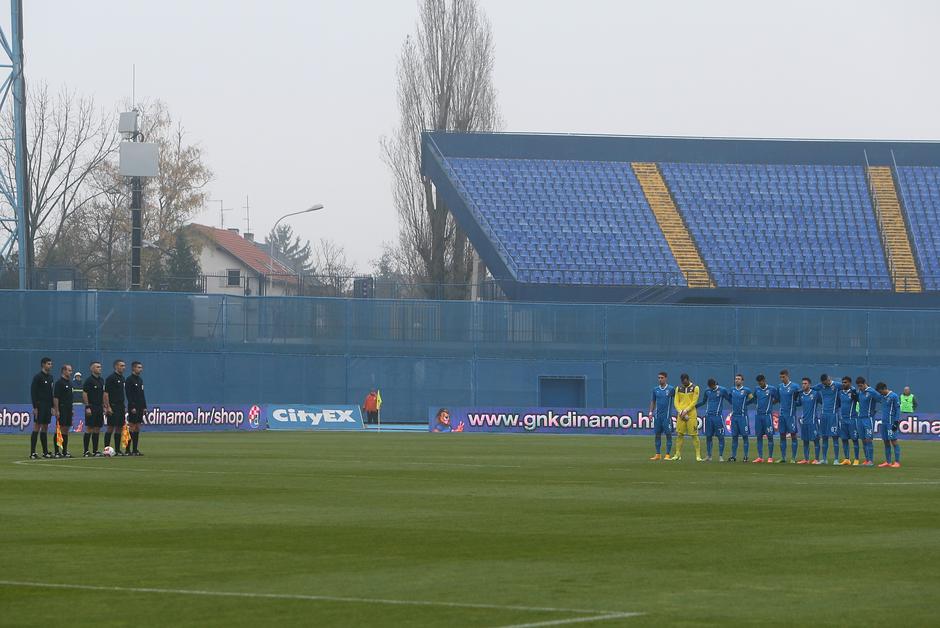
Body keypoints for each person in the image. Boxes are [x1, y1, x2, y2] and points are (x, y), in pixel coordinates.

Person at [695, 378, 728, 462]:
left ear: (715, 384)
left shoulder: (722, 390)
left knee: (720, 436)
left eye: (712, 387)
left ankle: (720, 456)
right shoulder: (707, 391)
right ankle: (709, 456)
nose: (711, 388)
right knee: (708, 436)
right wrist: (694, 406)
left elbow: (729, 399)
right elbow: (703, 402)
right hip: (708, 417)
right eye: (710, 387)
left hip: (717, 417)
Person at [673, 373, 703, 462]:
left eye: (685, 381)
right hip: (681, 414)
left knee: (694, 435)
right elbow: (676, 401)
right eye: (682, 381)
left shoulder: (695, 388)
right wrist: (680, 411)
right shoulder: (678, 388)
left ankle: (698, 455)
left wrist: (686, 410)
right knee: (679, 434)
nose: (683, 383)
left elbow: (694, 401)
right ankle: (677, 454)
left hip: (691, 414)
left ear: (688, 379)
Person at [29, 357, 55, 459]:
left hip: (48, 405)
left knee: (45, 427)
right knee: (37, 426)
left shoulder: (51, 377)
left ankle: (45, 452)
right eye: (48, 364)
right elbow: (33, 392)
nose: (50, 366)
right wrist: (35, 407)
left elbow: (51, 393)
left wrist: (52, 406)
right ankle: (32, 453)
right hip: (40, 405)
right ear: (43, 364)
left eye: (51, 364)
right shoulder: (38, 377)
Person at [813, 374, 841, 465]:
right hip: (823, 415)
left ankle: (836, 459)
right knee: (824, 437)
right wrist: (799, 391)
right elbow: (812, 388)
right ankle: (824, 459)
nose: (825, 384)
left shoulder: (837, 385)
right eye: (823, 383)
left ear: (829, 379)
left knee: (835, 437)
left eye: (826, 382)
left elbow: (848, 387)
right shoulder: (821, 386)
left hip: (833, 415)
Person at [854, 376, 882, 467]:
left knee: (868, 439)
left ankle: (871, 460)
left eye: (861, 386)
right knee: (863, 440)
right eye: (858, 386)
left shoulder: (872, 392)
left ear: (864, 383)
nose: (860, 388)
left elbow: (881, 399)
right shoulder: (859, 392)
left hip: (868, 418)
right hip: (860, 418)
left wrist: (874, 411)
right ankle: (866, 459)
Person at [750, 374, 778, 463]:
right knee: (759, 437)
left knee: (770, 436)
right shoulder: (757, 389)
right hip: (758, 416)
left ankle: (770, 457)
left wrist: (771, 404)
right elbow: (754, 398)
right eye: (758, 383)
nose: (760, 384)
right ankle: (760, 457)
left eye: (761, 382)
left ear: (764, 380)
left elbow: (777, 398)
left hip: (767, 416)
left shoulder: (772, 389)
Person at [795, 378, 823, 464]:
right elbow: (798, 403)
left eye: (805, 383)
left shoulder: (815, 394)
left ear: (809, 384)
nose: (803, 385)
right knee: (805, 441)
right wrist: (793, 398)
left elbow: (822, 402)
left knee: (816, 440)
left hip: (813, 421)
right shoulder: (801, 394)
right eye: (802, 383)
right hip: (804, 421)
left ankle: (816, 459)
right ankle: (806, 459)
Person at [648, 372, 675, 461]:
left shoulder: (671, 389)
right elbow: (653, 401)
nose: (660, 379)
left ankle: (667, 454)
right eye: (659, 378)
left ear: (666, 378)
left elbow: (678, 399)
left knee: (668, 434)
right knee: (657, 435)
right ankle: (658, 454)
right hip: (657, 416)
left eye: (662, 378)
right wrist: (650, 412)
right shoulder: (655, 389)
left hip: (666, 417)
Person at [776, 369, 801, 463]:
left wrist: (794, 404)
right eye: (780, 377)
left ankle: (793, 458)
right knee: (782, 435)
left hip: (791, 415)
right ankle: (783, 457)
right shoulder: (779, 387)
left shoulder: (795, 386)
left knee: (793, 435)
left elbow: (799, 400)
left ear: (787, 376)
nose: (782, 379)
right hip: (782, 415)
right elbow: (778, 399)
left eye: (783, 377)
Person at [875, 382, 901, 468]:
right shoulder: (882, 397)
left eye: (880, 391)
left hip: (891, 422)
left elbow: (897, 410)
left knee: (894, 441)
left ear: (884, 388)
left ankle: (897, 462)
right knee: (886, 442)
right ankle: (888, 462)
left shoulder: (894, 396)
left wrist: (896, 422)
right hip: (884, 423)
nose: (880, 393)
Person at [103, 360, 127, 456]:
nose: (123, 367)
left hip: (121, 406)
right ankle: (107, 449)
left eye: (124, 366)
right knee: (110, 427)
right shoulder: (110, 378)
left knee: (119, 427)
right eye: (121, 365)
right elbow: (106, 393)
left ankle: (117, 450)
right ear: (116, 366)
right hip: (113, 405)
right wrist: (108, 406)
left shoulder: (122, 378)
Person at [82, 361, 105, 456]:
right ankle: (86, 451)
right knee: (89, 428)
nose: (99, 368)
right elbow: (84, 394)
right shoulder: (89, 381)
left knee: (97, 428)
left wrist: (104, 405)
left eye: (100, 367)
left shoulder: (101, 380)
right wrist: (87, 406)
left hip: (99, 407)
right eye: (97, 367)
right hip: (91, 406)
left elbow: (103, 394)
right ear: (92, 369)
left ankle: (95, 450)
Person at [727, 374, 752, 462]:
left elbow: (752, 399)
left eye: (739, 379)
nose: (737, 380)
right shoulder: (732, 390)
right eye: (736, 379)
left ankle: (745, 456)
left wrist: (746, 404)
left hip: (743, 417)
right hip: (734, 417)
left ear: (742, 381)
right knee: (734, 437)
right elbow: (729, 398)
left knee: (745, 436)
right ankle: (733, 456)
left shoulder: (746, 390)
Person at [52, 364, 75, 458]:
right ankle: (57, 451)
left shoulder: (70, 383)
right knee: (60, 429)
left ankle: (64, 451)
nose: (70, 372)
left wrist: (71, 408)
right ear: (64, 371)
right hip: (61, 408)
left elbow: (70, 397)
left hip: (68, 408)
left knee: (66, 429)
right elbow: (56, 397)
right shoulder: (59, 383)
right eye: (69, 370)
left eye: (71, 370)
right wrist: (57, 410)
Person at [836, 376, 860, 465]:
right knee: (844, 439)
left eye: (845, 382)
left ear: (850, 383)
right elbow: (839, 404)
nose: (843, 384)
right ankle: (847, 459)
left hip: (852, 420)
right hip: (843, 420)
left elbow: (859, 401)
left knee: (854, 439)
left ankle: (856, 459)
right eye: (843, 382)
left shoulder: (853, 392)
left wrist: (855, 396)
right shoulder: (840, 393)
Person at [125, 361, 147, 455]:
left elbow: (142, 395)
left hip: (140, 406)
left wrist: (144, 407)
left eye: (141, 367)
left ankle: (135, 449)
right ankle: (127, 449)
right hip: (133, 406)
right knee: (132, 427)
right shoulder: (129, 380)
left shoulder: (140, 380)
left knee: (137, 427)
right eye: (138, 367)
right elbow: (128, 394)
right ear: (133, 368)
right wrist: (132, 406)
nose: (140, 369)